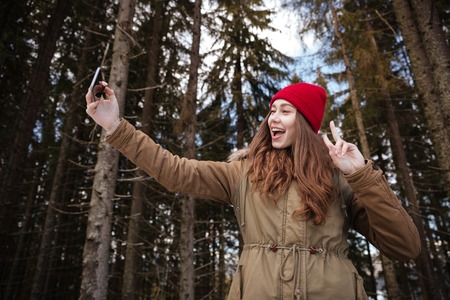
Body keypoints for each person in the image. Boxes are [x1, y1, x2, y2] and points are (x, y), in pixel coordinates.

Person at [86, 81, 420, 300]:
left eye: (285, 111)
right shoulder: (243, 173)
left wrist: (362, 175)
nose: (273, 116)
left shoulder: (341, 181)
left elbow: (405, 246)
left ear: (305, 123)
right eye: (272, 110)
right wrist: (115, 127)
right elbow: (176, 171)